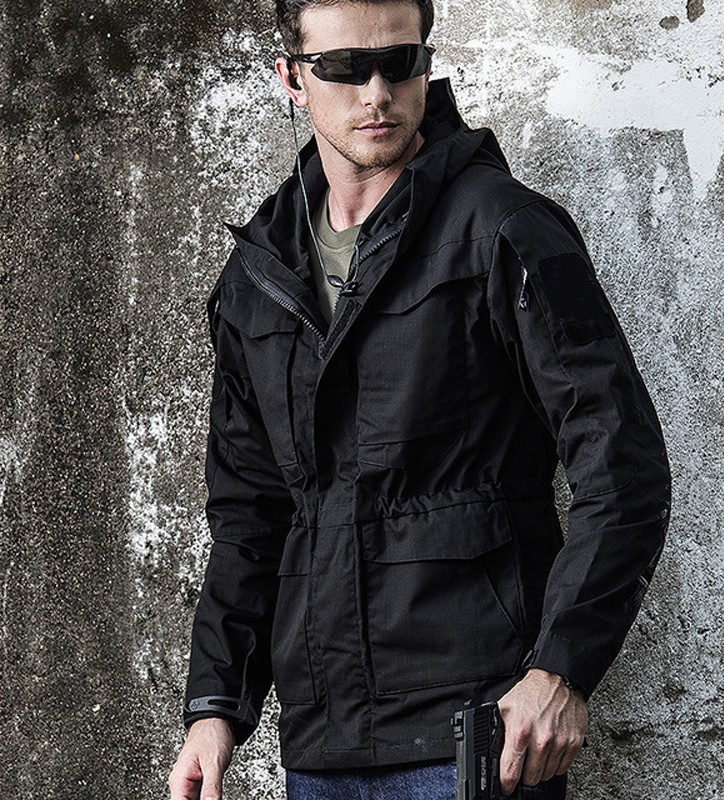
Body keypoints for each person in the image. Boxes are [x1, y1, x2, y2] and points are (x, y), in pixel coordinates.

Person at [168, 0, 671, 798]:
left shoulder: (503, 228)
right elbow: (250, 515)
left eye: (399, 63)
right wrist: (215, 707)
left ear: (426, 64)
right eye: (345, 68)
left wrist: (561, 669)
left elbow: (621, 461)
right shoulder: (259, 277)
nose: (378, 93)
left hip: (477, 729)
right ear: (292, 78)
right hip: (323, 743)